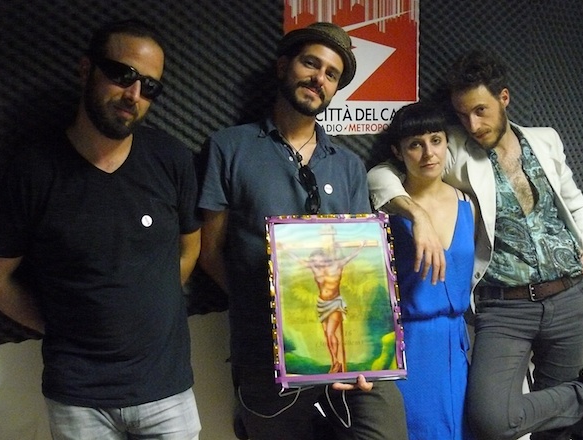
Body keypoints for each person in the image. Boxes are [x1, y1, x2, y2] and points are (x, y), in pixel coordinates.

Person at [368, 49, 583, 440]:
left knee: (556, 426)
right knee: (491, 418)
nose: (473, 124)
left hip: (570, 296)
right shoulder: (454, 150)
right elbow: (381, 174)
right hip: (506, 306)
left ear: (503, 98)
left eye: (480, 111)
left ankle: (581, 400)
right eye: (462, 115)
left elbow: (574, 200)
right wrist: (417, 215)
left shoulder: (546, 139)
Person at [0, 19, 202, 439]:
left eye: (149, 86)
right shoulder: (33, 171)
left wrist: (144, 308)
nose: (134, 94)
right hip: (78, 398)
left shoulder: (171, 159)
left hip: (167, 392)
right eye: (122, 74)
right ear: (86, 69)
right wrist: (65, 325)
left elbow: (190, 249)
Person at [198, 21, 408, 440]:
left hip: (346, 353)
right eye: (311, 64)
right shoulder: (229, 147)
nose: (319, 79)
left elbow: (360, 263)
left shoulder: (348, 165)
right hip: (266, 353)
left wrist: (363, 351)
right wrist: (270, 309)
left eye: (331, 74)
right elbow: (210, 251)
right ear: (283, 66)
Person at [374, 101, 476, 439]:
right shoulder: (387, 209)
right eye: (415, 144)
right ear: (398, 152)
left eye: (435, 140)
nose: (428, 153)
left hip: (456, 345)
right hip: (408, 345)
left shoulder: (468, 204)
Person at [280, 240, 367, 374]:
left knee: (331, 333)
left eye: (318, 260)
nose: (316, 263)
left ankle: (337, 362)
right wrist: (286, 249)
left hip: (335, 303)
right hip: (322, 304)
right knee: (327, 335)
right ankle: (334, 361)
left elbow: (351, 256)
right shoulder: (315, 268)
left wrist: (362, 246)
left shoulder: (337, 265)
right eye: (314, 260)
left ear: (324, 258)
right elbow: (299, 261)